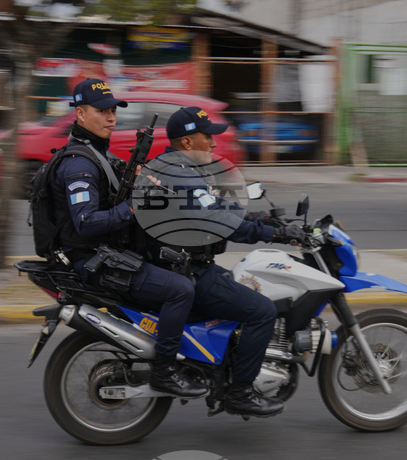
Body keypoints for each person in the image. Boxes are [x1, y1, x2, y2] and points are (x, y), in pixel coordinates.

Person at [138, 106, 305, 418]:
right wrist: (275, 234)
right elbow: (218, 222)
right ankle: (241, 392)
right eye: (207, 137)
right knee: (262, 310)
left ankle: (221, 371)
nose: (214, 143)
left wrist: (260, 218)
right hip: (187, 272)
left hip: (187, 265)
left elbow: (217, 209)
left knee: (244, 285)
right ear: (187, 142)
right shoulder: (180, 175)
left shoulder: (178, 168)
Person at [52, 79, 208, 400]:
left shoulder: (99, 154)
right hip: (91, 259)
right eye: (102, 111)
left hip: (107, 251)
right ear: (80, 114)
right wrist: (134, 207)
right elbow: (86, 222)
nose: (111, 117)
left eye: (113, 111)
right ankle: (164, 372)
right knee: (180, 290)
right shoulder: (79, 164)